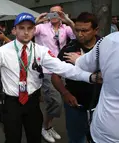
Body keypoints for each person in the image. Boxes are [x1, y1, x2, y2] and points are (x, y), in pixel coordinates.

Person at [0, 12, 99, 143]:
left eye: (29, 28)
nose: (26, 32)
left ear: (34, 30)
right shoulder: (2, 51)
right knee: (12, 138)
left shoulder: (41, 51)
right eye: (21, 28)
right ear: (14, 30)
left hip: (32, 102)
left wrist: (90, 77)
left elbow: (63, 68)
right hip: (11, 103)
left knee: (35, 137)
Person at [51, 12, 102, 143]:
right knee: (76, 138)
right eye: (77, 30)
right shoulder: (69, 48)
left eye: (85, 31)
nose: (80, 34)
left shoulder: (105, 47)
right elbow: (55, 76)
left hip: (100, 104)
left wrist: (80, 61)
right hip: (75, 105)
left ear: (96, 30)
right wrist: (65, 93)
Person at [34, 4, 76, 142]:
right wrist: (36, 21)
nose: (53, 15)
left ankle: (48, 125)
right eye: (51, 13)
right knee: (55, 101)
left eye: (57, 13)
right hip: (46, 69)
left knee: (56, 100)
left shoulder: (67, 28)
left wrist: (68, 21)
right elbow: (26, 34)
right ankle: (44, 127)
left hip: (62, 68)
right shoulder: (41, 27)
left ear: (61, 14)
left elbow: (78, 36)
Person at [74, 32, 119, 142]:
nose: (80, 34)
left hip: (106, 131)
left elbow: (84, 64)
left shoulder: (110, 41)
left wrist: (77, 59)